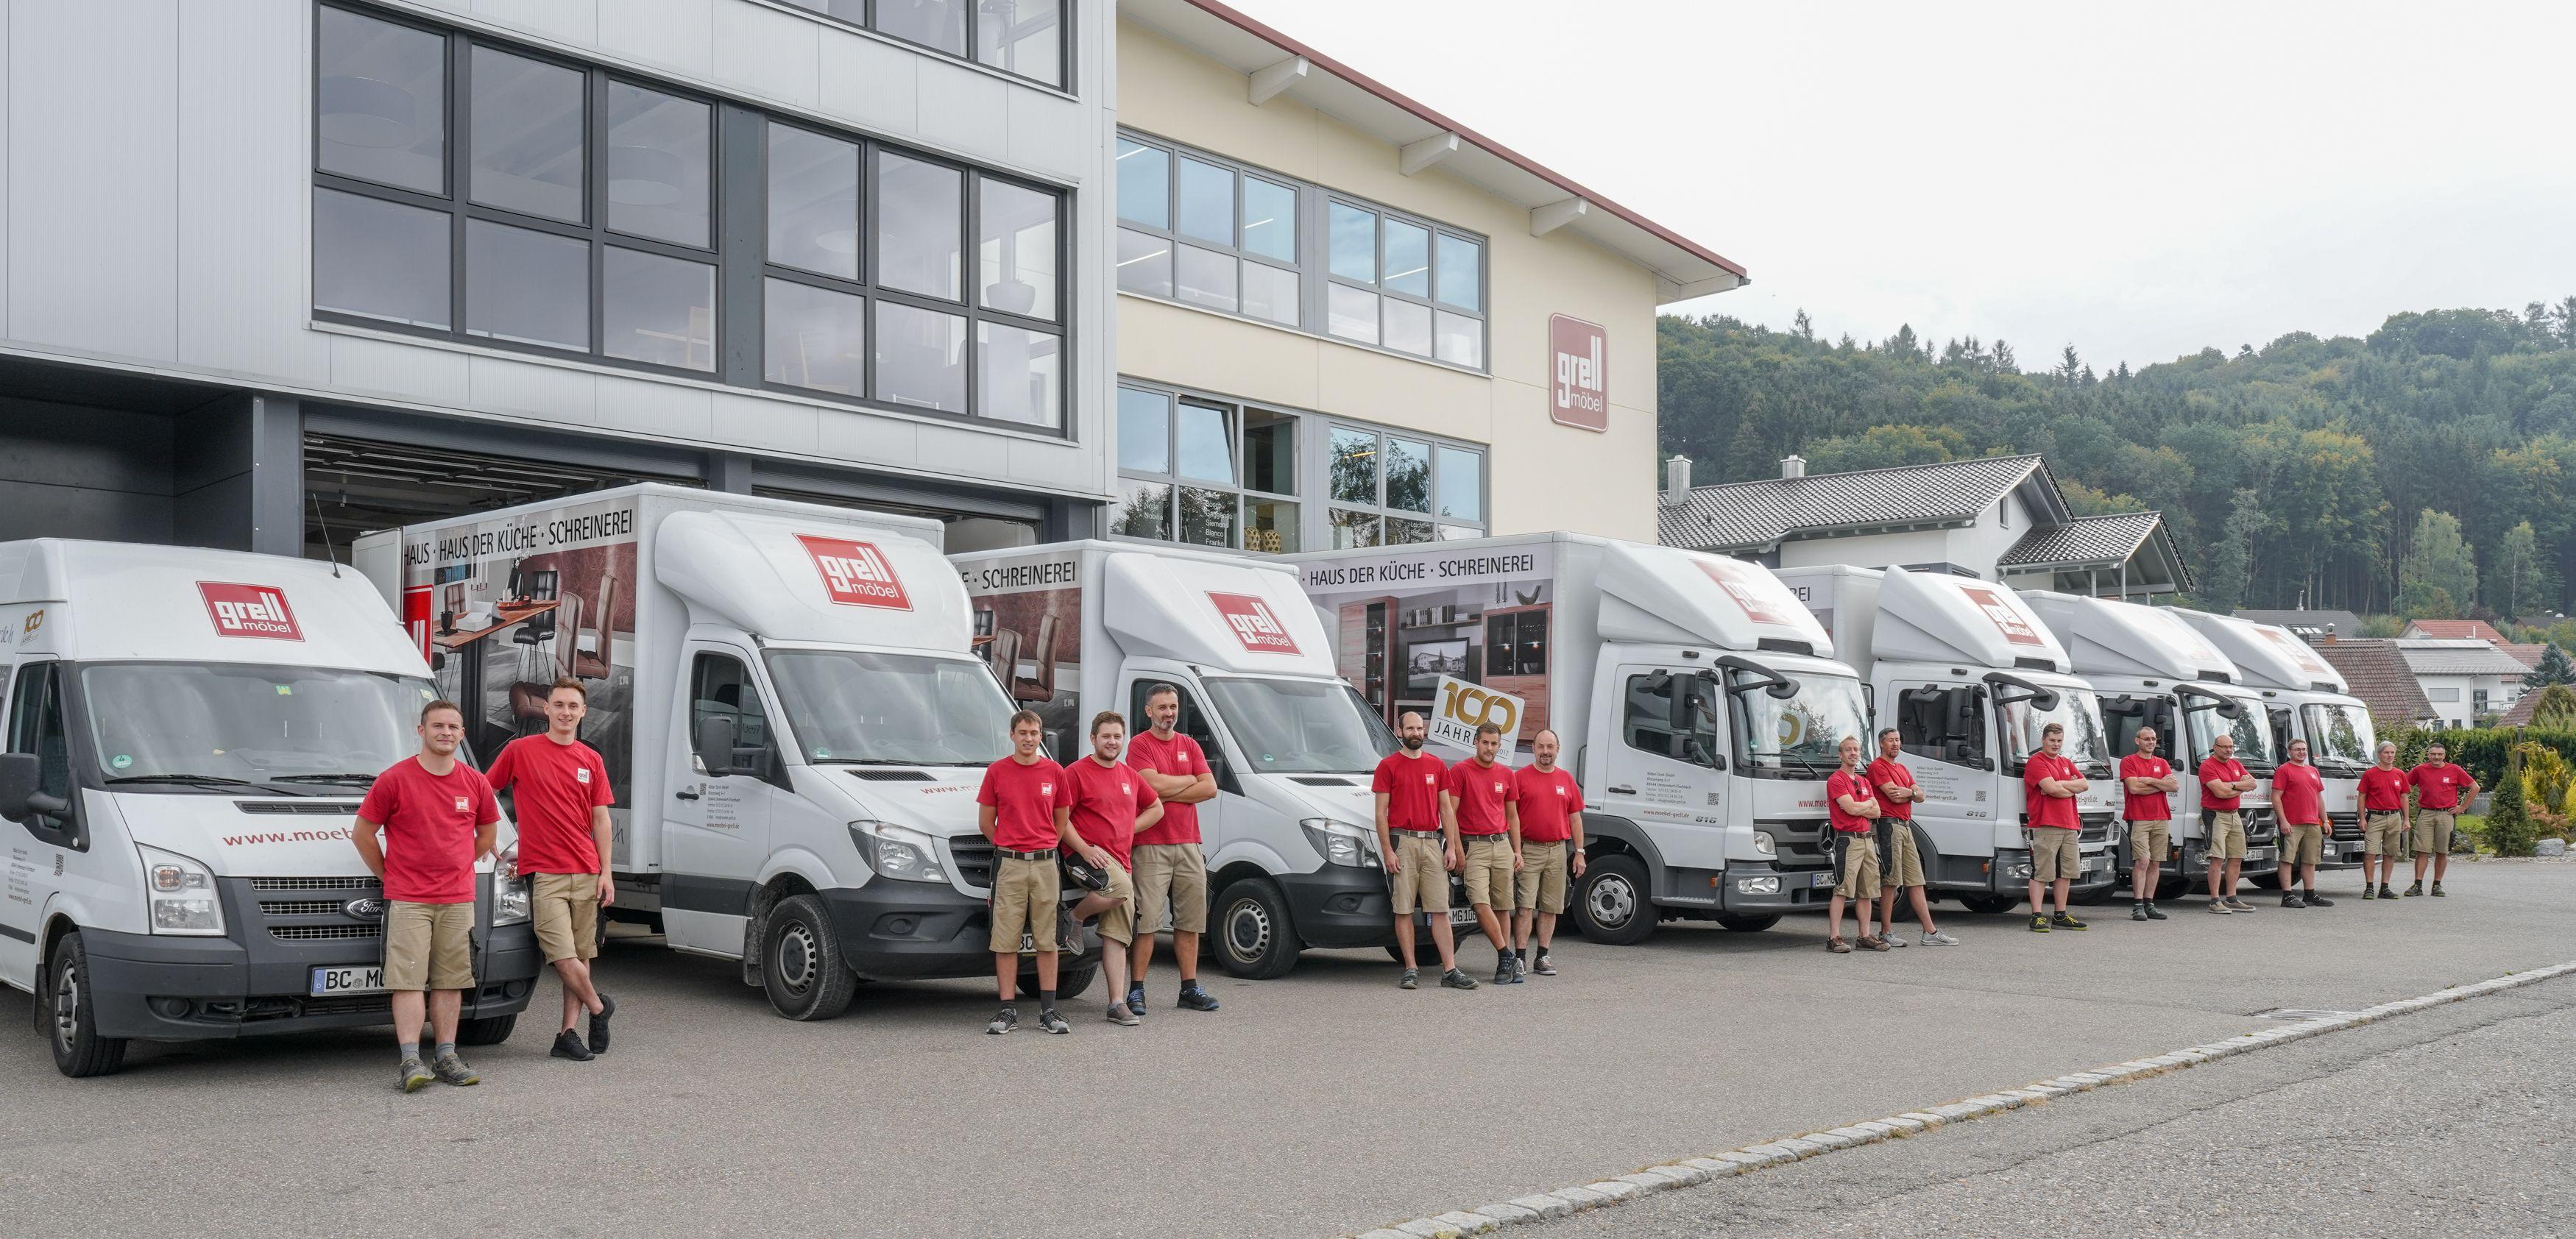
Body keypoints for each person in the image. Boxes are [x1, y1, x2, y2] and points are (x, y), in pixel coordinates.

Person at [352, 699, 500, 1093]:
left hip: (457, 898)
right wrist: (389, 875)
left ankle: (447, 1056)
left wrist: (457, 866)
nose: (446, 733)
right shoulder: (394, 779)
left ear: (462, 734)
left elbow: (487, 834)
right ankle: (410, 1060)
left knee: (451, 980)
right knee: (409, 981)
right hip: (409, 899)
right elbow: (362, 834)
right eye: (437, 726)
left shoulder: (475, 782)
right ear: (421, 731)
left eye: (453, 727)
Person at [484, 677, 617, 1062]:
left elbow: (602, 820)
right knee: (560, 955)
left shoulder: (591, 759)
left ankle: (567, 1034)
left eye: (573, 706)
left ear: (583, 712)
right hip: (545, 872)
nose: (565, 712)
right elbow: (485, 790)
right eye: (559, 705)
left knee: (581, 953)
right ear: (547, 709)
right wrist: (489, 832)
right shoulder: (521, 750)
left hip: (587, 869)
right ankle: (600, 1007)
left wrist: (606, 871)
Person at [1058, 711, 1163, 1027]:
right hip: (1084, 858)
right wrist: (1085, 849)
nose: (1112, 742)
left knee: (1117, 936)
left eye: (1117, 736)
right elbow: (1060, 820)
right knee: (1121, 890)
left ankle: (1116, 1003)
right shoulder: (1075, 773)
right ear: (1093, 739)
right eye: (1106, 736)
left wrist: (1129, 829)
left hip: (1121, 861)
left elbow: (1156, 808)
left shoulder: (1130, 776)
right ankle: (1074, 917)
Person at [977, 709, 1077, 1035]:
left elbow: (1062, 819)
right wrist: (1011, 845)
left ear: (1040, 735)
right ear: (1012, 735)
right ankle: (1007, 1010)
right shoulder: (997, 772)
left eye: (1034, 733)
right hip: (1010, 865)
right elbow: (985, 822)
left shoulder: (1054, 772)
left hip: (1046, 864)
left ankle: (1049, 1010)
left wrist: (1044, 844)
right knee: (1005, 939)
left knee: (1048, 939)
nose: (1029, 739)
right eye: (1023, 732)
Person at [1125, 684, 1221, 1015]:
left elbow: (1210, 788)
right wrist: (1187, 781)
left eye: (1174, 706)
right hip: (1150, 845)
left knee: (1190, 921)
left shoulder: (1189, 744)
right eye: (1162, 707)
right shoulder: (1139, 745)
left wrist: (1168, 789)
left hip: (1189, 843)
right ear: (1149, 711)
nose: (1169, 713)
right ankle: (1136, 991)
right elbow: (1151, 785)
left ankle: (1189, 988)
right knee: (1147, 922)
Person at [1373, 711, 1474, 991]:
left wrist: (1452, 846)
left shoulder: (1437, 765)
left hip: (1432, 841)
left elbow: (1446, 810)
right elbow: (1381, 814)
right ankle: (1410, 969)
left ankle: (1450, 970)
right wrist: (1387, 851)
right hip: (1402, 841)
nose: (1416, 733)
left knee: (1440, 909)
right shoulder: (1388, 766)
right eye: (1410, 728)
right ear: (1399, 730)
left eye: (1420, 728)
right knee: (1403, 909)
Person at [1442, 723, 1524, 985]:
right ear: (1476, 742)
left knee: (1503, 905)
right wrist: (1455, 847)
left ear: (1500, 746)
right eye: (1485, 743)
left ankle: (1504, 966)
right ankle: (1506, 954)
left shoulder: (1507, 774)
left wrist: (1517, 850)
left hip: (1501, 844)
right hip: (1473, 845)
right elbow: (1450, 814)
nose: (1489, 748)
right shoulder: (1460, 771)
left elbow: (1512, 815)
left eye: (1494, 744)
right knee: (1479, 902)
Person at [1510, 728, 1588, 976]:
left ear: (1558, 749)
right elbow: (1510, 817)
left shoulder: (1566, 780)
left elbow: (1575, 819)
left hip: (1557, 851)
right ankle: (1519, 958)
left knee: (1551, 907)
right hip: (1529, 849)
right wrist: (1515, 850)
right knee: (1524, 907)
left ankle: (1542, 956)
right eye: (1541, 746)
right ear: (1533, 748)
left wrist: (1579, 852)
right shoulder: (1520, 778)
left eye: (1550, 747)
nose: (1545, 752)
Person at [1867, 728, 1955, 945]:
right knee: (1891, 881)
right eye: (1890, 740)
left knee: (1916, 880)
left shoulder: (1903, 769)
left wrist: (1911, 792)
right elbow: (1894, 796)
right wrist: (1912, 793)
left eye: (1898, 740)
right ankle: (1885, 932)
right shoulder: (1878, 767)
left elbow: (1920, 796)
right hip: (1889, 826)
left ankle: (1930, 932)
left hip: (1906, 827)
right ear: (1881, 744)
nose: (1895, 744)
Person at [2023, 722, 2089, 932]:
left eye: (2059, 741)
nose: (2056, 745)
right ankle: (2037, 916)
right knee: (2042, 872)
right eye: (2052, 740)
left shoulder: (2066, 762)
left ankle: (2060, 915)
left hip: (2070, 823)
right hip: (2046, 823)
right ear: (2043, 740)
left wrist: (2060, 786)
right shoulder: (2036, 762)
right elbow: (2053, 789)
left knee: (2066, 872)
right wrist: (2066, 786)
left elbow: (2085, 784)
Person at [1824, 735, 1886, 953]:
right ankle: (1834, 937)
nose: (1853, 753)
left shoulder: (1864, 781)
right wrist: (1866, 804)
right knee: (1842, 890)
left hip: (1868, 840)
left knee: (1867, 891)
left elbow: (1877, 812)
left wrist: (1863, 806)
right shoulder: (1836, 780)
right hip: (1848, 841)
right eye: (1848, 750)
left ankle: (1865, 936)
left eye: (1856, 750)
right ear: (1841, 755)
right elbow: (1850, 809)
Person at [2118, 725, 2181, 921]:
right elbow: (2134, 788)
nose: (2151, 742)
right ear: (2137, 741)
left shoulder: (2162, 763)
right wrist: (2158, 783)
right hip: (2139, 818)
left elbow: (2173, 785)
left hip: (2161, 817)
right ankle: (2137, 906)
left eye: (2154, 739)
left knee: (2155, 862)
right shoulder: (2129, 761)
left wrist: (2148, 781)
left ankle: (2149, 904)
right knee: (2142, 861)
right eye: (2147, 739)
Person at [2198, 734, 2260, 914]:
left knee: (2237, 856)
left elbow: (2252, 784)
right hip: (2215, 815)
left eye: (2231, 747)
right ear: (2215, 747)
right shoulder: (2207, 766)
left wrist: (2230, 786)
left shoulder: (2236, 764)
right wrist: (2239, 786)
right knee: (2217, 858)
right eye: (2225, 747)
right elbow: (2220, 793)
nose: (2229, 750)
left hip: (2234, 815)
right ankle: (2215, 901)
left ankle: (2232, 898)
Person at [2405, 742, 2476, 898]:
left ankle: (2437, 885)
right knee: (2422, 850)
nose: (2436, 757)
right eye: (2433, 754)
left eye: (2439, 754)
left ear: (2444, 756)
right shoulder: (2420, 770)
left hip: (2446, 814)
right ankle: (2417, 885)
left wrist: (2462, 807)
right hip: (2426, 813)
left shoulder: (2454, 770)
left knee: (2442, 851)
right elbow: (2404, 784)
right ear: (2428, 755)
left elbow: (2475, 787)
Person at [2270, 738, 2334, 909]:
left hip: (2313, 822)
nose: (2302, 752)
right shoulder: (2284, 770)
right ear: (2290, 752)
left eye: (2304, 749)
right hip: (2292, 823)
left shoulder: (2313, 771)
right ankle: (2287, 895)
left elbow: (2318, 797)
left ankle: (2310, 894)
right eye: (2298, 749)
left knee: (2310, 860)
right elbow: (2276, 797)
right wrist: (2283, 821)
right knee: (2287, 859)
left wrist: (2325, 821)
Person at [2357, 740, 2410, 900]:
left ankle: (2385, 887)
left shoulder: (2400, 774)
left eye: (2392, 753)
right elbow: (2362, 796)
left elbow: (2404, 797)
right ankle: (2369, 887)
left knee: (2390, 853)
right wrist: (2362, 818)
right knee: (2370, 852)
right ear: (2379, 755)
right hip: (2375, 817)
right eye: (2386, 753)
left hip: (2394, 817)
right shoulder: (2370, 774)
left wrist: (2406, 819)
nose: (2390, 755)